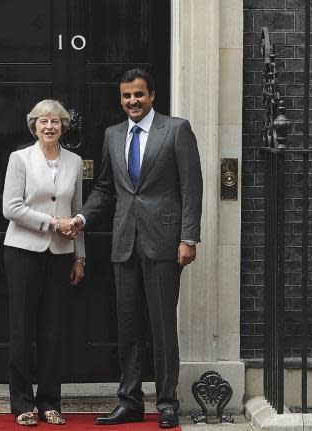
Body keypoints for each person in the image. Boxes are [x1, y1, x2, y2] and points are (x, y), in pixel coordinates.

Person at [66, 68, 203, 429]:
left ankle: (167, 402)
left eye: (139, 95)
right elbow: (106, 189)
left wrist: (189, 238)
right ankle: (129, 401)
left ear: (152, 95)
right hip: (124, 242)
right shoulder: (113, 135)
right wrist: (81, 219)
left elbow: (192, 187)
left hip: (164, 243)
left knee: (161, 326)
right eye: (126, 96)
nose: (132, 102)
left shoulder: (176, 129)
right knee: (127, 327)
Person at [2, 99, 85, 426]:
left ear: (63, 126)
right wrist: (51, 223)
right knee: (21, 328)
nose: (49, 126)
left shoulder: (75, 162)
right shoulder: (20, 158)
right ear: (33, 125)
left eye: (55, 121)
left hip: (61, 255)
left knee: (53, 331)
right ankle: (22, 403)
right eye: (43, 121)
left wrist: (80, 256)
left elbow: (77, 211)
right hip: (22, 252)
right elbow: (11, 207)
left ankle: (50, 401)